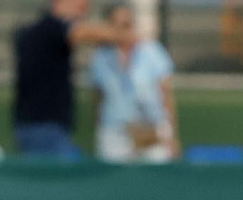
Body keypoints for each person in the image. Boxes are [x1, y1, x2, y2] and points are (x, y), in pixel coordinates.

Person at [12, 0, 135, 159]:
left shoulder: (36, 32)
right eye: (79, 5)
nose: (83, 11)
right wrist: (122, 34)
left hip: (35, 125)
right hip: (45, 127)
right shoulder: (51, 28)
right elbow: (80, 33)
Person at [89, 3, 179, 163]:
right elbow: (98, 98)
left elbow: (165, 95)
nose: (125, 31)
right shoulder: (101, 57)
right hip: (115, 133)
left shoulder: (151, 51)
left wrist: (170, 135)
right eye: (118, 26)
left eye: (128, 24)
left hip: (151, 131)